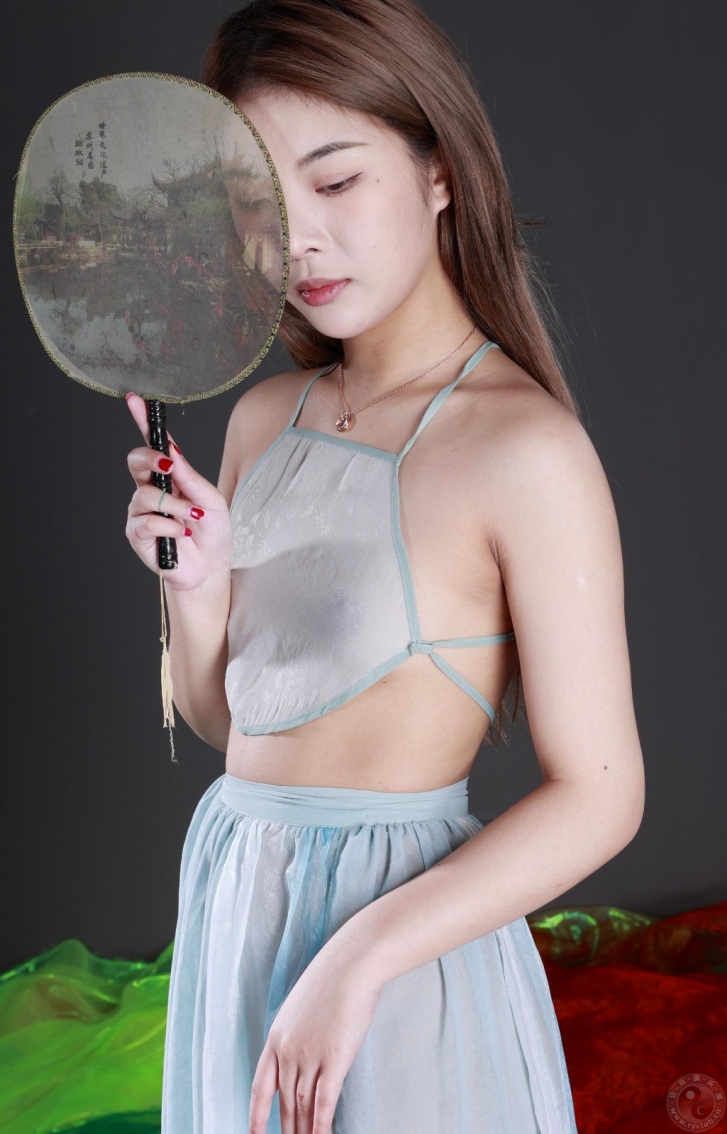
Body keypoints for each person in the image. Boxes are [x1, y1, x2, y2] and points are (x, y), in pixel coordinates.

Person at [124, 1, 645, 1131]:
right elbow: (235, 726)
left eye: (337, 180)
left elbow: (602, 796)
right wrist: (196, 583)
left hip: (395, 961)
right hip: (236, 908)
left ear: (440, 169)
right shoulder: (263, 417)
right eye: (260, 202)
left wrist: (357, 961)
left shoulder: (523, 449)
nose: (298, 239)